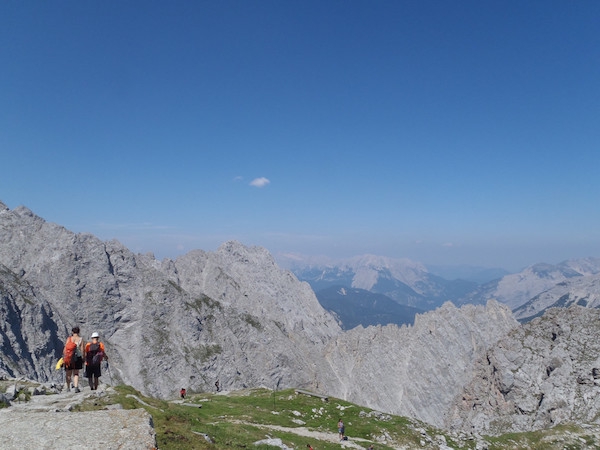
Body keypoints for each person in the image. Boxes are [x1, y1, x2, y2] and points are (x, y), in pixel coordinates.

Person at [63, 327, 85, 393]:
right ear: (79, 332)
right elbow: (82, 350)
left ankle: (68, 388)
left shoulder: (69, 339)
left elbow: (65, 349)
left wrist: (65, 357)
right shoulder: (80, 339)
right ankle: (76, 387)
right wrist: (83, 357)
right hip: (77, 358)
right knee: (76, 373)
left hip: (69, 358)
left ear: (72, 332)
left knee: (68, 373)